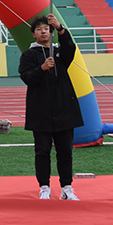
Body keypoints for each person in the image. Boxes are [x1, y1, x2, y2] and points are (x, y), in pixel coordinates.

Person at [20, 14, 83, 200]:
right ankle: (44, 187)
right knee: (42, 152)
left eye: (47, 29)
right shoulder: (29, 55)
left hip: (64, 109)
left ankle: (67, 187)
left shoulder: (60, 52)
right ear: (33, 34)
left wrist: (60, 27)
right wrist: (42, 69)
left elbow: (70, 47)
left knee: (65, 152)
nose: (43, 32)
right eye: (39, 29)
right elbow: (27, 77)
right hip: (40, 111)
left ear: (52, 33)